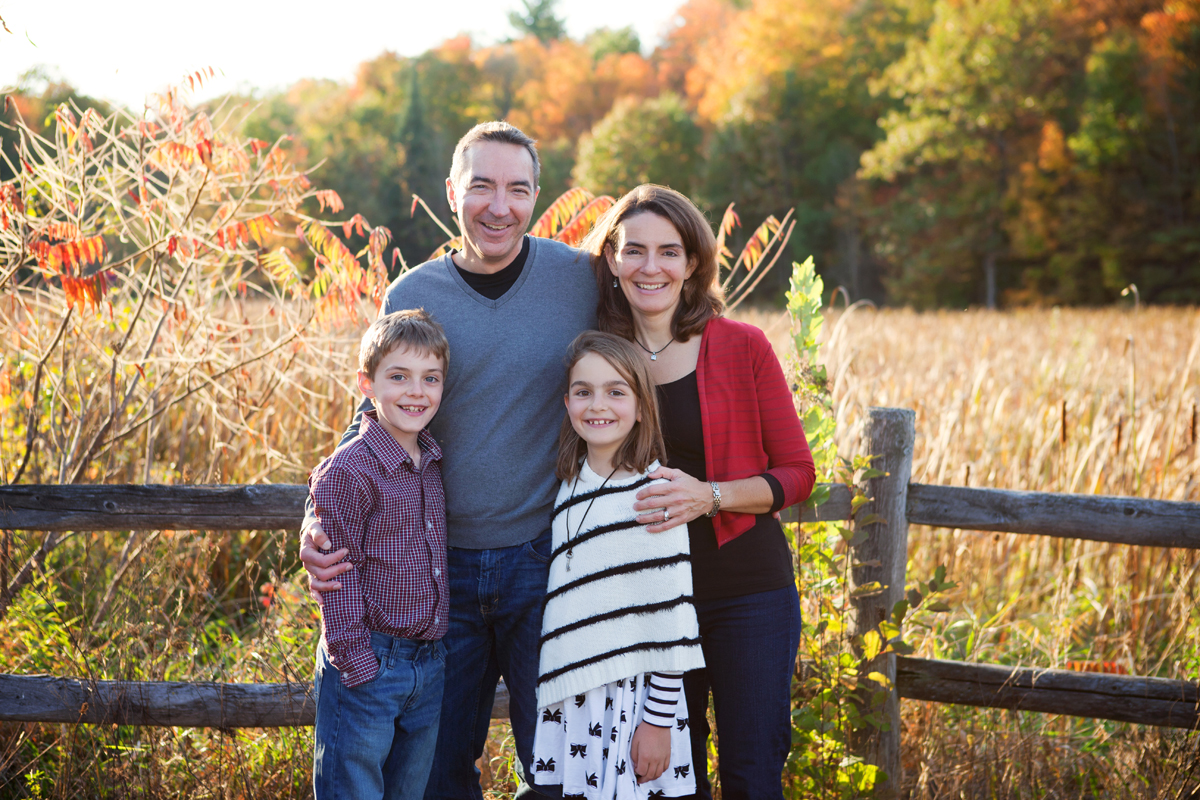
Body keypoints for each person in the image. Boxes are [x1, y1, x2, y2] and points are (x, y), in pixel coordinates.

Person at [299, 121, 598, 798]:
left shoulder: (578, 279)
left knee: (556, 768)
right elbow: (368, 422)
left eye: (518, 189)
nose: (500, 206)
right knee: (437, 775)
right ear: (452, 192)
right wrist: (316, 521)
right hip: (434, 574)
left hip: (543, 558)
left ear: (537, 195)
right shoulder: (412, 294)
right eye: (481, 186)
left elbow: (641, 352)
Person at [579, 185, 816, 800]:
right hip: (644, 601)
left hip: (746, 593)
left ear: (692, 263)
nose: (650, 266)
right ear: (611, 259)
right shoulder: (596, 356)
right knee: (663, 781)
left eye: (669, 251)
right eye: (634, 250)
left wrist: (710, 497)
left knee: (751, 773)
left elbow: (797, 472)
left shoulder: (742, 346)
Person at [532, 331, 705, 799]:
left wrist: (658, 722)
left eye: (616, 392)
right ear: (567, 404)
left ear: (642, 406)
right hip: (577, 698)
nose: (598, 405)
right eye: (583, 392)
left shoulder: (654, 495)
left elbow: (672, 618)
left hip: (632, 700)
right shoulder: (571, 482)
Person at [308, 309, 451, 800]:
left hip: (426, 664)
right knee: (354, 789)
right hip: (369, 658)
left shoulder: (431, 459)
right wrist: (356, 662)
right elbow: (336, 575)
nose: (416, 392)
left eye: (430, 378)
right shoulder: (350, 470)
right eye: (398, 377)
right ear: (366, 384)